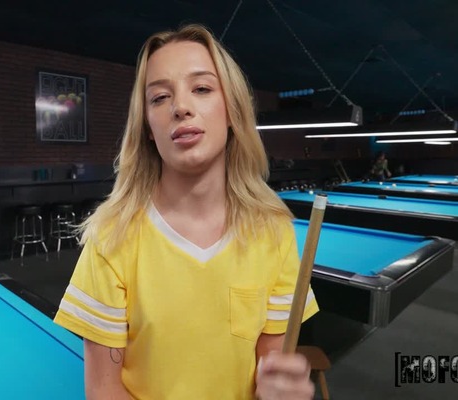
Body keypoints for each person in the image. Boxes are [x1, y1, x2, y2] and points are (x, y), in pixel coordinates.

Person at [54, 24, 319, 400]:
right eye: (160, 97)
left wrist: (278, 391)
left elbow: (269, 370)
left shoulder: (275, 233)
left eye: (202, 89)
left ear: (232, 111)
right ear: (148, 127)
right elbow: (103, 389)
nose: (180, 107)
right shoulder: (112, 237)